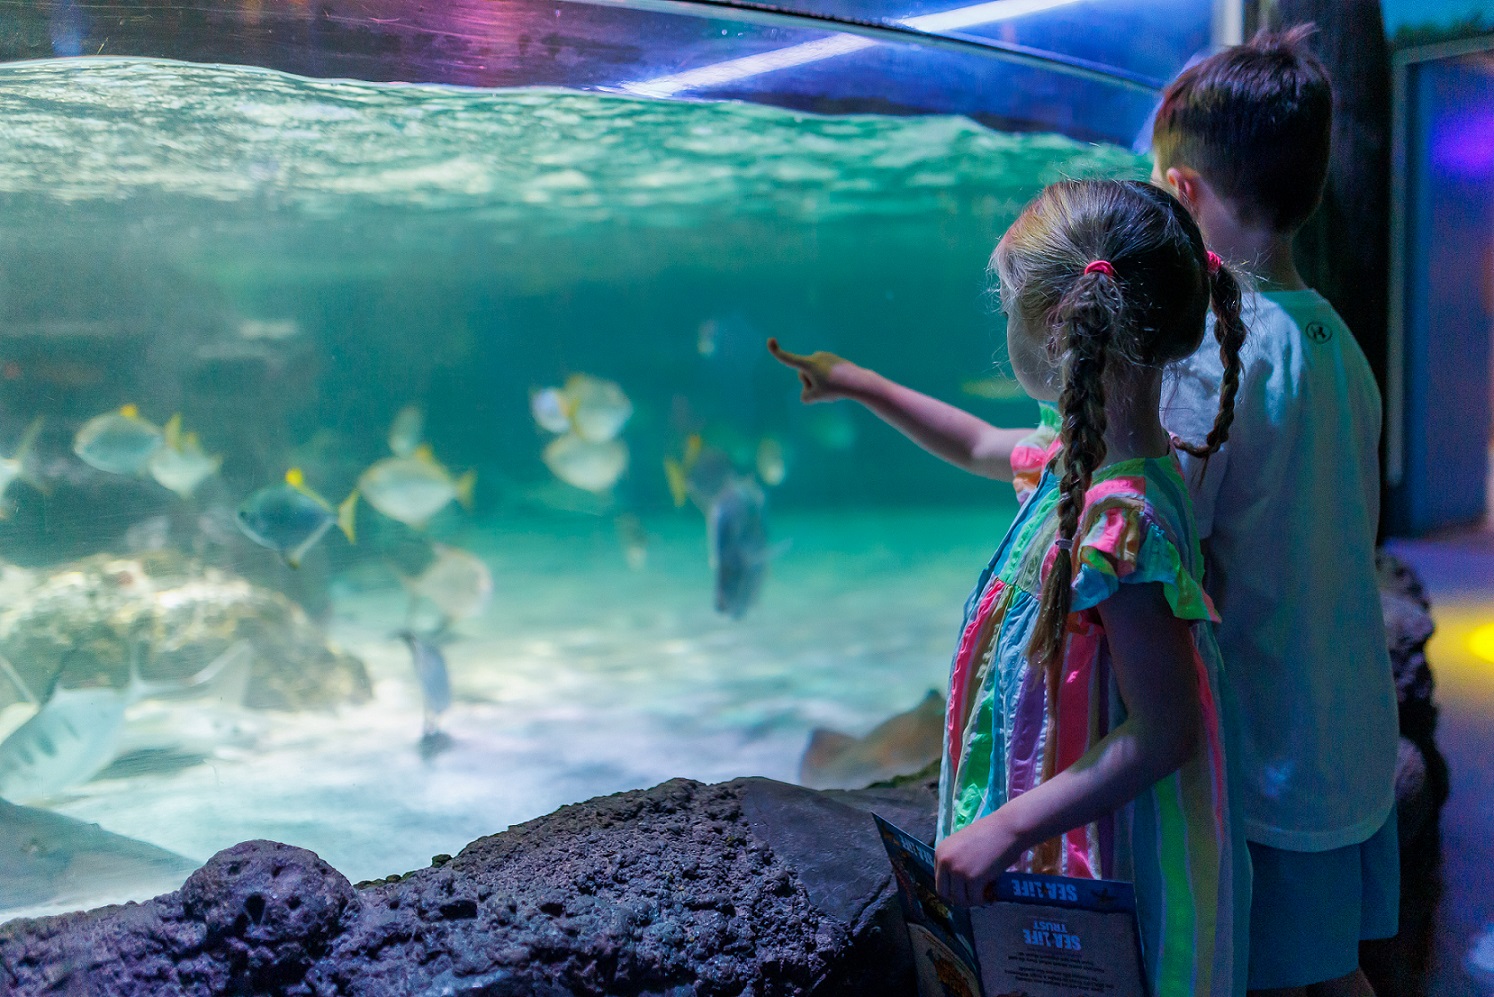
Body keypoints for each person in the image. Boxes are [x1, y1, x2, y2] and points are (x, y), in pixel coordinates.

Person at [772, 178, 1251, 996]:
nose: (1001, 321)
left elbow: (1168, 728)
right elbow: (977, 440)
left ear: (1058, 329)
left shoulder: (1119, 528)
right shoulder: (1082, 459)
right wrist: (859, 382)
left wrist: (1007, 827)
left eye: (1006, 303)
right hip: (1067, 847)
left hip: (1108, 867)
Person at [1151, 26, 1399, 997]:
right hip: (1348, 734)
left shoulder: (1217, 353)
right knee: (1334, 974)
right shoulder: (1336, 337)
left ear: (1182, 196)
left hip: (1271, 760)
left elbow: (1169, 536)